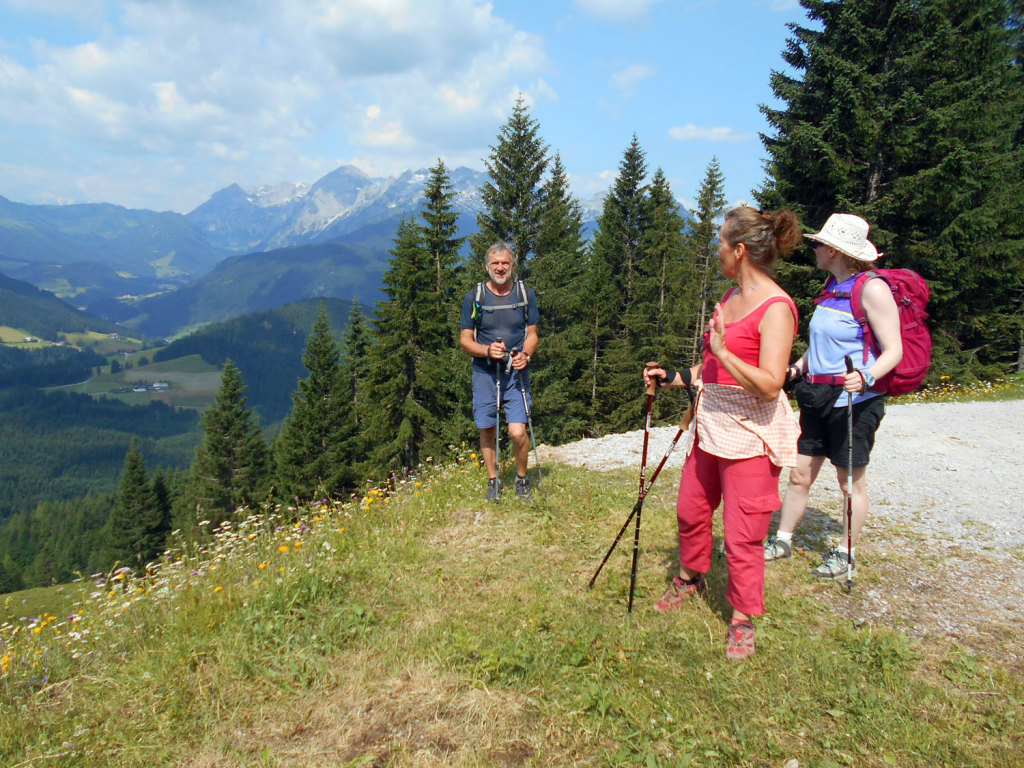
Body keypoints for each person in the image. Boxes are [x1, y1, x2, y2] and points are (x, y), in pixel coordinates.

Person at [644, 205, 801, 659]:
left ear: (739, 250)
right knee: (690, 510)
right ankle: (690, 577)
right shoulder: (731, 298)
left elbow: (771, 384)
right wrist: (672, 376)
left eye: (719, 243)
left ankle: (741, 618)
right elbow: (711, 368)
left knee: (743, 534)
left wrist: (723, 352)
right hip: (711, 427)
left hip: (751, 436)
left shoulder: (777, 308)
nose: (716, 252)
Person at [763, 213, 903, 579]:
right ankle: (782, 540)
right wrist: (795, 368)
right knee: (799, 475)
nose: (815, 248)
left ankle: (846, 551)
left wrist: (866, 375)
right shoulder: (832, 286)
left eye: (820, 243)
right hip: (817, 395)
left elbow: (894, 350)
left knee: (848, 482)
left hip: (855, 401)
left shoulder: (871, 289)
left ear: (836, 251)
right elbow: (818, 345)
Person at [459, 242, 539, 502]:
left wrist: (525, 355)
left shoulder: (525, 294)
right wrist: (486, 350)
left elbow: (533, 334)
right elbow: (465, 340)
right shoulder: (475, 297)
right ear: (487, 267)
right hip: (485, 372)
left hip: (515, 371)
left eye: (505, 263)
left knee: (517, 431)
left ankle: (521, 478)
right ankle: (493, 481)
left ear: (512, 265)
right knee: (487, 427)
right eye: (495, 263)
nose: (500, 268)